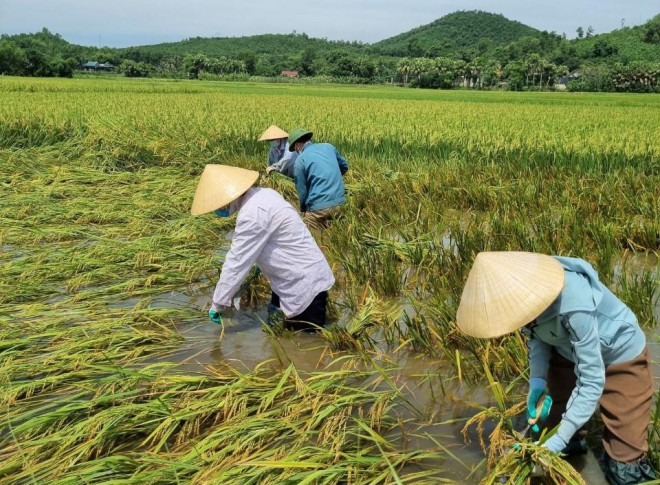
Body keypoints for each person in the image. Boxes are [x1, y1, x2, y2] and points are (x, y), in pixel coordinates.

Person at [456, 251, 656, 485]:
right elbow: (537, 338)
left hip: (619, 353)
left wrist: (558, 440)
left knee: (625, 461)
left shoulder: (574, 303)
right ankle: (571, 443)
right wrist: (537, 382)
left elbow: (591, 381)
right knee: (553, 428)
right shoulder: (522, 302)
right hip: (565, 350)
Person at [190, 164, 335, 332]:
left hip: (303, 284)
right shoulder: (265, 194)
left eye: (219, 205)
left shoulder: (252, 213)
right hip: (303, 273)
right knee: (290, 337)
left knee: (305, 345)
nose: (219, 210)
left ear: (229, 197)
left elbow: (236, 262)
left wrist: (218, 303)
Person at [287, 127, 349, 231]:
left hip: (318, 209)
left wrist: (304, 209)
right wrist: (332, 179)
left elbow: (302, 191)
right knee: (339, 237)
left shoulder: (300, 160)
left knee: (312, 239)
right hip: (340, 204)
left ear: (297, 146)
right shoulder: (329, 147)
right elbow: (344, 166)